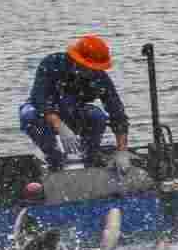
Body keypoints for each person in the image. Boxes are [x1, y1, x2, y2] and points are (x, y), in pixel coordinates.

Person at [21, 34, 131, 171]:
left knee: (97, 116)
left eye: (95, 68)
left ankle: (90, 159)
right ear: (76, 60)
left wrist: (122, 150)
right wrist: (59, 125)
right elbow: (38, 98)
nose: (91, 72)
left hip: (74, 113)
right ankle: (53, 159)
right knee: (28, 115)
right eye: (88, 67)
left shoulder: (99, 77)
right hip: (44, 116)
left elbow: (117, 113)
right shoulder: (52, 63)